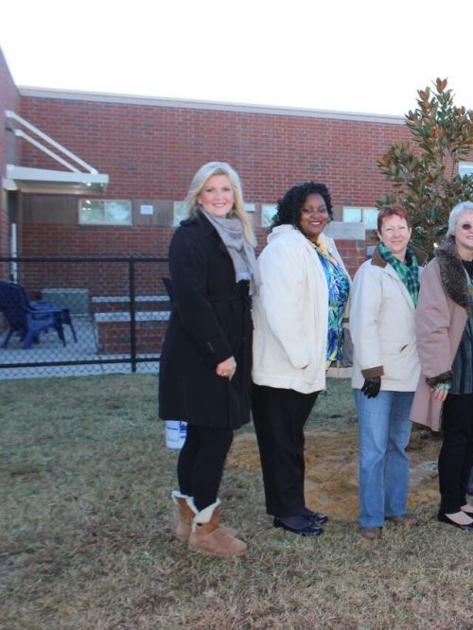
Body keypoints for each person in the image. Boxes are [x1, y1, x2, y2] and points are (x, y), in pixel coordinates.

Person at [158, 161, 257, 557]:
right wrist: (222, 354)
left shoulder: (236, 236)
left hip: (227, 347)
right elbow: (192, 301)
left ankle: (187, 515)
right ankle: (205, 528)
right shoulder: (190, 236)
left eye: (227, 190)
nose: (220, 197)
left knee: (200, 435)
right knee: (215, 436)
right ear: (199, 196)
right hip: (203, 354)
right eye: (212, 190)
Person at [251, 182, 350, 537]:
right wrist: (302, 358)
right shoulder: (283, 250)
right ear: (293, 211)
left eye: (322, 209)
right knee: (280, 443)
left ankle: (295, 506)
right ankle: (285, 513)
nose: (316, 215)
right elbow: (279, 311)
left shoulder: (322, 246)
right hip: (283, 369)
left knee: (292, 441)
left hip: (309, 366)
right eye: (308, 209)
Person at [410, 201, 473, 531]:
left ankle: (460, 499)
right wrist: (439, 373)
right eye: (466, 225)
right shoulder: (439, 268)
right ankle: (448, 505)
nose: (472, 231)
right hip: (455, 368)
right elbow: (430, 323)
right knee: (456, 437)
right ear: (453, 228)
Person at [350, 207, 426, 540]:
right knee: (374, 449)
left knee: (398, 445)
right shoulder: (372, 271)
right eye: (389, 229)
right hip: (376, 378)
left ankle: (396, 508)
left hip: (409, 374)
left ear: (410, 231)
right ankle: (370, 518)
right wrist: (371, 370)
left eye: (402, 227)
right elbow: (362, 322)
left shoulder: (420, 272)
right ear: (379, 235)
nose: (396, 234)